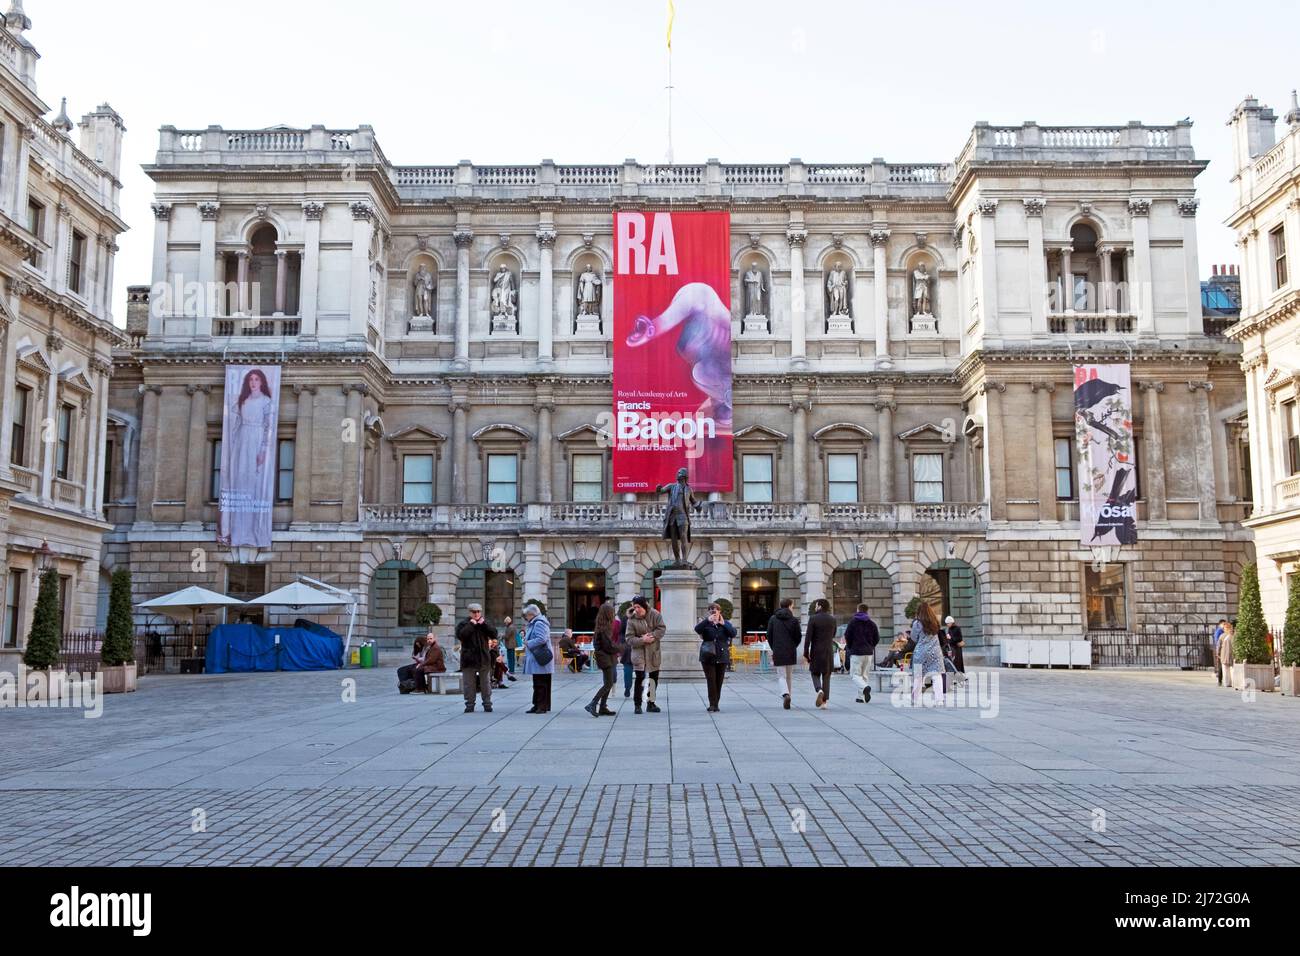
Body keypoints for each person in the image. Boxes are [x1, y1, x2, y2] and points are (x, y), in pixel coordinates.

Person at [626, 595, 666, 714]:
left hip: (653, 651)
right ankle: (637, 705)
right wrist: (642, 640)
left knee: (653, 678)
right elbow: (629, 639)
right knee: (639, 678)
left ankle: (651, 703)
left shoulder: (655, 614)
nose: (636, 609)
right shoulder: (631, 619)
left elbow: (662, 629)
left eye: (638, 607)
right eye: (634, 607)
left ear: (644, 606)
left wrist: (651, 637)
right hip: (639, 653)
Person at [455, 603, 498, 713]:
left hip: (483, 658)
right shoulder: (464, 624)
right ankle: (469, 705)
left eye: (478, 611)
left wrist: (483, 625)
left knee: (486, 683)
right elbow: (461, 636)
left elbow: (494, 633)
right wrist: (471, 625)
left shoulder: (485, 623)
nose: (477, 614)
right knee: (469, 684)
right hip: (469, 659)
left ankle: (487, 704)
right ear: (470, 613)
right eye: (474, 612)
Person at [695, 603, 736, 713]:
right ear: (708, 612)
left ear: (719, 611)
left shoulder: (725, 623)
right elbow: (697, 629)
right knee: (711, 680)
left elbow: (733, 633)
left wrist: (723, 624)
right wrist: (707, 620)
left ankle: (716, 703)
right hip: (708, 656)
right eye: (711, 610)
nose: (713, 611)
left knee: (719, 681)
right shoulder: (706, 623)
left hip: (722, 656)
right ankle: (712, 704)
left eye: (715, 610)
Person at [766, 597, 802, 710]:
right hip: (790, 650)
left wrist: (774, 647)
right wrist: (793, 646)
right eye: (792, 606)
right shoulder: (794, 620)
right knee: (789, 676)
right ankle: (789, 697)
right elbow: (798, 636)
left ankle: (785, 695)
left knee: (781, 675)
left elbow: (769, 635)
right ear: (790, 606)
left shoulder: (773, 618)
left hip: (778, 649)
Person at [586, 603, 621, 718]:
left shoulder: (602, 625)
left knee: (608, 683)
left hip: (606, 658)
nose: (614, 613)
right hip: (607, 659)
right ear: (608, 613)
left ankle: (602, 707)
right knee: (608, 683)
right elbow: (608, 646)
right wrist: (622, 647)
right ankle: (593, 703)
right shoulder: (605, 628)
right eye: (612, 611)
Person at [803, 598, 837, 709]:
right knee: (826, 676)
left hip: (816, 650)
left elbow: (808, 638)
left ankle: (819, 689)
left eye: (816, 605)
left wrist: (806, 653)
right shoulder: (832, 619)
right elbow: (833, 634)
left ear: (820, 606)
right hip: (828, 650)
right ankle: (824, 702)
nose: (815, 607)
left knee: (814, 672)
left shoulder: (813, 619)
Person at [844, 604, 880, 704]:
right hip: (868, 653)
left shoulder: (853, 622)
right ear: (867, 611)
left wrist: (850, 647)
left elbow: (847, 636)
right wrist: (871, 646)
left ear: (858, 610)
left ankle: (865, 687)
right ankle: (861, 697)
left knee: (854, 675)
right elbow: (877, 638)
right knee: (864, 675)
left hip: (857, 652)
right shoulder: (872, 623)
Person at [910, 603, 945, 704]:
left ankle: (915, 698)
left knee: (918, 676)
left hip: (921, 652)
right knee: (937, 675)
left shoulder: (917, 623)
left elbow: (913, 637)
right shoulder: (935, 621)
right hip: (935, 652)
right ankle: (939, 699)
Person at [522, 603, 554, 713]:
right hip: (538, 658)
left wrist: (528, 642)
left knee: (541, 683)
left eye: (526, 615)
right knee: (538, 682)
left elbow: (542, 639)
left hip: (540, 658)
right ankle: (537, 705)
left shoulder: (539, 623)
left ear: (531, 614)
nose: (526, 617)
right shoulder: (536, 622)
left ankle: (541, 706)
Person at [620, 605, 635, 697]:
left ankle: (629, 688)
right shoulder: (625, 619)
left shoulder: (643, 619)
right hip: (628, 649)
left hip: (638, 648)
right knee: (627, 670)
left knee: (639, 672)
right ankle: (627, 688)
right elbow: (621, 633)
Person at [1218, 620, 1235, 690]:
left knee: (1225, 670)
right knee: (1232, 669)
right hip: (1232, 654)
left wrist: (1218, 653)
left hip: (1224, 655)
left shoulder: (1222, 636)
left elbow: (1218, 646)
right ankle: (1233, 682)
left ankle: (1227, 683)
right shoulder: (1234, 635)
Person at [502, 616, 519, 680]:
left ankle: (511, 670)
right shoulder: (513, 626)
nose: (505, 624)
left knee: (510, 658)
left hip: (510, 645)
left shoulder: (510, 627)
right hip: (512, 644)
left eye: (505, 623)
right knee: (512, 658)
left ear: (507, 622)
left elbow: (507, 636)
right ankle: (512, 669)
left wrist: (501, 635)